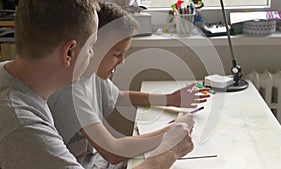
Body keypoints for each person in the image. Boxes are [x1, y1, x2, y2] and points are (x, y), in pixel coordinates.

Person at [0, 0, 195, 169]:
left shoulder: (13, 80)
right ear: (69, 52)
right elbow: (113, 151)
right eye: (92, 46)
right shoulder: (23, 127)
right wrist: (170, 150)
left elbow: (117, 96)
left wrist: (169, 105)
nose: (93, 55)